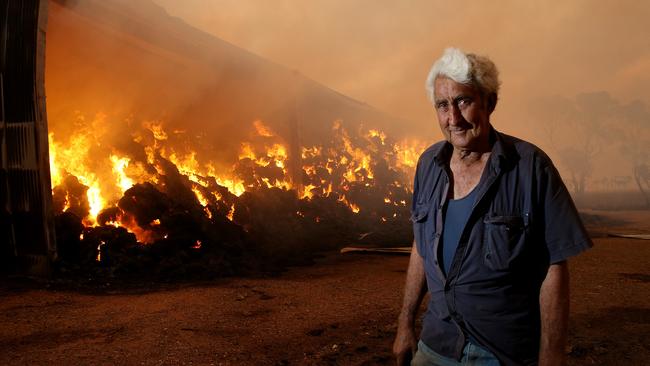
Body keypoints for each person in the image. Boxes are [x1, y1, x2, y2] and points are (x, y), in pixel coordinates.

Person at [392, 48, 593, 366]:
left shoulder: (530, 168)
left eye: (463, 101)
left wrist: (552, 353)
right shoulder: (428, 164)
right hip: (436, 343)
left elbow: (554, 266)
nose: (453, 119)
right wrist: (405, 324)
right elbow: (421, 246)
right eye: (443, 105)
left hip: (501, 352)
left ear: (490, 102)